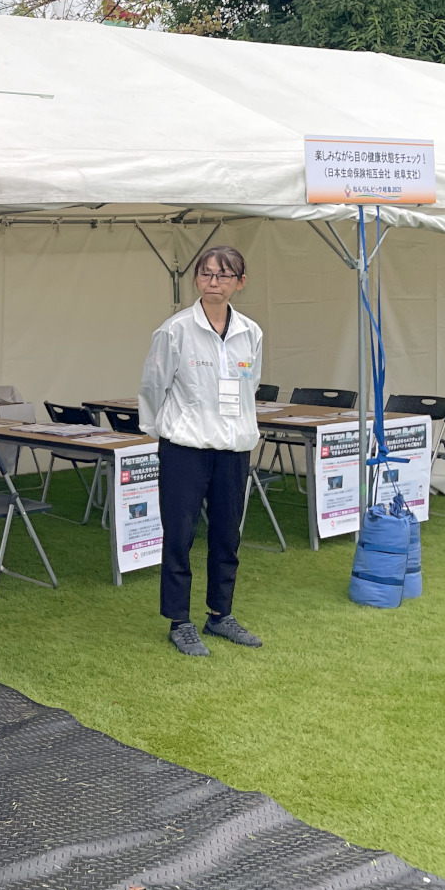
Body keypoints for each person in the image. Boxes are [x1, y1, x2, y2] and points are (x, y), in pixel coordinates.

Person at [138, 245, 265, 657]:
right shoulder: (175, 330)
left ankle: (220, 614)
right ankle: (180, 620)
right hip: (185, 448)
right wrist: (164, 431)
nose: (214, 282)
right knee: (179, 534)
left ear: (240, 283)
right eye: (207, 273)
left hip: (233, 448)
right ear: (196, 278)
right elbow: (153, 386)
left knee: (227, 534)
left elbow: (250, 385)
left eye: (224, 275)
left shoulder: (251, 332)